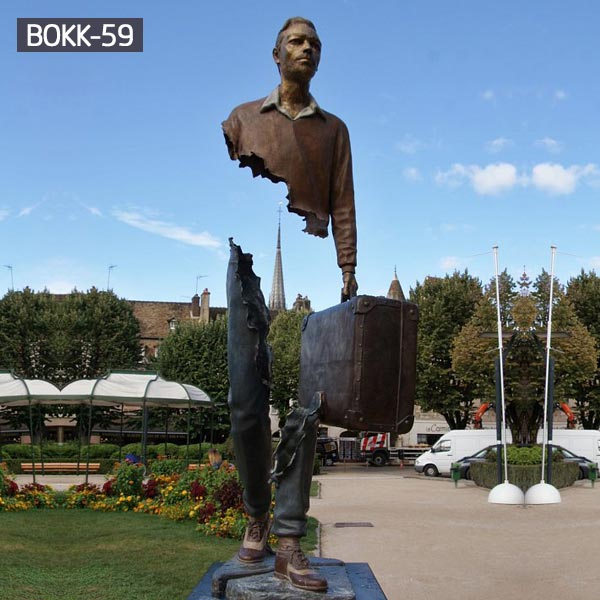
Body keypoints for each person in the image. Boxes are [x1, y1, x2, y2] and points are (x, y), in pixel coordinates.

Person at [223, 17, 358, 593]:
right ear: (275, 54)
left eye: (315, 45)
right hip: (248, 270)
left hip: (315, 285)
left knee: (308, 413)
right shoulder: (241, 121)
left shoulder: (334, 131)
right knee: (245, 406)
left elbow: (344, 203)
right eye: (298, 43)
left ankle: (287, 540)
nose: (308, 50)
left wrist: (347, 266)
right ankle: (255, 516)